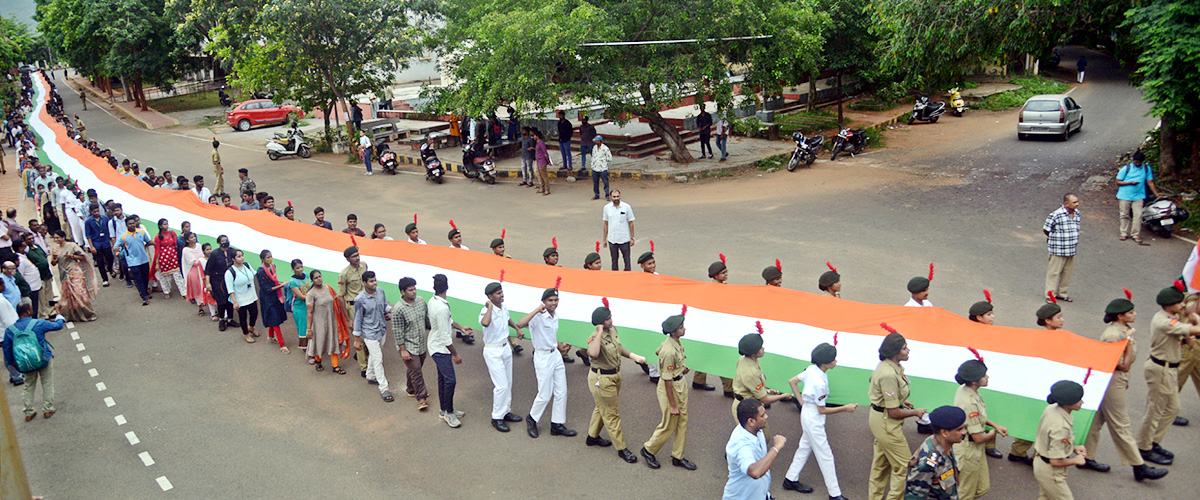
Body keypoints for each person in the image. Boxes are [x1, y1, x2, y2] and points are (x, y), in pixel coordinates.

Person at [1081, 294, 1169, 481]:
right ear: (1120, 316)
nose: (1135, 314)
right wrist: (1127, 343)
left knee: (1097, 420)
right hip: (1113, 380)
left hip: (1114, 379)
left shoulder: (1123, 329)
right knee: (1121, 424)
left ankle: (1086, 456)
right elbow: (1122, 365)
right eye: (1131, 312)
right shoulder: (1115, 335)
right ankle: (1139, 466)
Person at [1136, 284, 1200, 465]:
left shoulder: (1172, 316)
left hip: (1169, 369)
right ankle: (1144, 447)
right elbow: (1196, 329)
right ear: (1169, 305)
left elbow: (1184, 333)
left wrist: (1186, 337)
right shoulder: (1164, 321)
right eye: (1179, 303)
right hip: (1160, 370)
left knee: (1173, 408)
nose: (1183, 305)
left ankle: (1153, 442)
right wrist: (1195, 319)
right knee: (1154, 411)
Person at [782, 343, 855, 498]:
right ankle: (834, 494)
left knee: (805, 447)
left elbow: (792, 381)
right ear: (824, 363)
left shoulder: (811, 369)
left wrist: (801, 401)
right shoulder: (819, 383)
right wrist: (845, 408)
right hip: (814, 416)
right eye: (833, 359)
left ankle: (790, 478)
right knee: (825, 455)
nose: (835, 361)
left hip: (808, 412)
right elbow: (822, 410)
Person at [584, 301, 648, 464]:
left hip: (614, 375)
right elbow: (593, 353)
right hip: (601, 379)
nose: (611, 320)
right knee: (611, 414)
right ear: (600, 323)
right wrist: (598, 333)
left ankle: (592, 436)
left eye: (610, 316)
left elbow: (618, 348)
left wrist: (634, 356)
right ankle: (621, 448)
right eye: (607, 319)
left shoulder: (613, 330)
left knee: (602, 407)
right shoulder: (595, 337)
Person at [868, 327, 927, 500]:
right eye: (904, 348)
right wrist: (915, 412)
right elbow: (893, 412)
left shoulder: (891, 366)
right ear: (895, 353)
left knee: (881, 465)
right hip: (887, 423)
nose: (908, 350)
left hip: (880, 418)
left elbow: (885, 392)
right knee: (905, 467)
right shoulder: (888, 373)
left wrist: (901, 401)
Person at [516, 283, 577, 439]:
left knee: (561, 391)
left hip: (555, 355)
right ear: (544, 301)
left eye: (556, 300)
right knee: (545, 393)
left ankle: (557, 424)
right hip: (542, 357)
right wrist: (537, 309)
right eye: (550, 300)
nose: (554, 303)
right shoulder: (537, 316)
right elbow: (520, 324)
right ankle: (532, 418)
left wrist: (560, 345)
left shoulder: (555, 315)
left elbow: (550, 336)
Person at [641, 310, 697, 470]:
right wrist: (672, 405)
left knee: (682, 421)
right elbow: (666, 379)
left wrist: (680, 369)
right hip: (670, 388)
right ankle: (648, 449)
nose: (684, 329)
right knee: (669, 423)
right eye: (681, 327)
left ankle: (678, 456)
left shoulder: (675, 342)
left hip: (679, 383)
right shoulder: (669, 350)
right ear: (673, 331)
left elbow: (658, 352)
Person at [952, 359, 1008, 500]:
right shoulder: (968, 401)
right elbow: (977, 437)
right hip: (968, 450)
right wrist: (992, 434)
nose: (987, 377)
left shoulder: (968, 390)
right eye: (984, 375)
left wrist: (995, 425)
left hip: (976, 449)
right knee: (966, 492)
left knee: (982, 488)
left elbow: (979, 417)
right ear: (974, 381)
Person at [3, 301, 65, 421]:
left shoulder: (10, 330)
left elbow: (7, 350)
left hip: (25, 363)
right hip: (43, 359)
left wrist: (13, 364)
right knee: (47, 383)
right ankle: (48, 409)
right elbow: (58, 326)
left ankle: (28, 411)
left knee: (28, 385)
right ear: (28, 311)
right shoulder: (38, 323)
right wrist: (58, 313)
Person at [480, 281, 527, 431]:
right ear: (490, 296)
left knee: (508, 382)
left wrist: (517, 328)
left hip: (505, 347)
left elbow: (507, 318)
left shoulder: (504, 307)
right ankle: (497, 417)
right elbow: (486, 323)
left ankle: (506, 411)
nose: (502, 295)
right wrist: (490, 308)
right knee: (501, 386)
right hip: (493, 351)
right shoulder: (485, 311)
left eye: (502, 292)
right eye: (498, 293)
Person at [428, 274, 471, 427]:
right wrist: (455, 354)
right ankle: (448, 412)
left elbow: (448, 321)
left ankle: (444, 409)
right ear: (447, 286)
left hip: (437, 346)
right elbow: (445, 337)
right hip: (440, 349)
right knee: (450, 381)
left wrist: (461, 328)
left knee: (443, 379)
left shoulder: (434, 301)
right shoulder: (441, 308)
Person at [1034, 381, 1088, 499]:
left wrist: (1073, 447)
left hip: (1041, 461)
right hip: (1050, 471)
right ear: (1068, 403)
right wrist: (1076, 460)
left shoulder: (1051, 408)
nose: (1082, 402)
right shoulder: (1061, 427)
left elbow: (1051, 440)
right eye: (1078, 400)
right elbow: (1055, 461)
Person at [723, 398, 787, 500]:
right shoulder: (742, 446)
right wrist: (776, 448)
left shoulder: (755, 430)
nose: (766, 417)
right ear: (751, 421)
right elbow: (755, 472)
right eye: (762, 416)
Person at [730, 331, 794, 428]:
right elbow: (765, 400)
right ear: (753, 353)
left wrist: (766, 390)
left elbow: (750, 385)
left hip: (749, 402)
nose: (763, 349)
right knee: (757, 438)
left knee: (764, 437)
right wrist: (783, 396)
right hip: (748, 409)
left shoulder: (744, 359)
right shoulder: (752, 373)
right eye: (760, 348)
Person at [904, 406, 968, 500]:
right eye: (960, 429)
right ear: (945, 433)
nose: (965, 432)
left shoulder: (944, 444)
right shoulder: (926, 464)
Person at [392, 276, 431, 411]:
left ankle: (410, 388)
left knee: (414, 368)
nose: (414, 292)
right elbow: (397, 331)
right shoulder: (398, 309)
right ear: (403, 292)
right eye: (410, 290)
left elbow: (426, 319)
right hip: (408, 346)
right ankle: (421, 398)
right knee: (416, 370)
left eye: (414, 289)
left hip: (421, 344)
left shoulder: (420, 302)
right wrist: (403, 350)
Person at [354, 271, 393, 402]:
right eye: (371, 281)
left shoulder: (380, 291)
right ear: (364, 283)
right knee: (378, 359)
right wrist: (357, 340)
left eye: (375, 280)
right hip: (369, 333)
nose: (374, 283)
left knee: (375, 354)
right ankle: (384, 388)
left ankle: (370, 376)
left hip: (381, 330)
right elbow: (357, 320)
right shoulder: (359, 300)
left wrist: (391, 310)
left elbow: (384, 306)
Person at [305, 270, 349, 374]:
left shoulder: (329, 288)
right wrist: (309, 328)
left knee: (332, 341)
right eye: (316, 278)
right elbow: (310, 312)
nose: (319, 279)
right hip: (319, 323)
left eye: (320, 276)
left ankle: (335, 366)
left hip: (332, 321)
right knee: (320, 342)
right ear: (312, 280)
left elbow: (337, 302)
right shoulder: (311, 294)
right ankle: (318, 361)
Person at [49, 230, 97, 322]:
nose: (56, 240)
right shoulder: (55, 248)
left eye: (57, 237)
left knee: (79, 293)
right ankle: (74, 315)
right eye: (55, 238)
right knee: (69, 295)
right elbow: (53, 263)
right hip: (64, 273)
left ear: (63, 237)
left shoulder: (72, 245)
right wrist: (54, 257)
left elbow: (83, 257)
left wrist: (71, 256)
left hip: (74, 271)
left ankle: (88, 313)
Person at [339, 246, 370, 377]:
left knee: (370, 334)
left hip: (367, 304)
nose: (357, 258)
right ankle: (364, 367)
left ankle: (363, 355)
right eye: (354, 256)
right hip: (353, 307)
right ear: (347, 259)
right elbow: (341, 297)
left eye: (358, 255)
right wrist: (347, 319)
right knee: (358, 337)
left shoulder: (364, 266)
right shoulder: (344, 274)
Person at [1044, 194, 1081, 303]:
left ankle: (1062, 293)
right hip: (1058, 249)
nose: (1077, 204)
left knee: (1067, 273)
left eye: (1077, 202)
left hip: (1071, 249)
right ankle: (1050, 295)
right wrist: (1053, 239)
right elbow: (1046, 229)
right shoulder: (1056, 215)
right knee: (1054, 273)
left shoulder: (1077, 213)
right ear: (1066, 203)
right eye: (1074, 202)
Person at [1115, 151, 1157, 244]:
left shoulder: (1146, 169)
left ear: (1142, 161)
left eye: (1139, 162)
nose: (1137, 164)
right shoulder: (1126, 168)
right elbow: (1118, 181)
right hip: (1124, 195)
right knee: (1124, 214)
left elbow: (1150, 182)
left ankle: (1135, 234)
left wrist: (1157, 195)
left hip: (1139, 195)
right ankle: (1123, 233)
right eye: (1136, 162)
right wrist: (1129, 182)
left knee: (1138, 215)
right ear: (1133, 160)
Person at [256, 250, 289, 354]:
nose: (270, 258)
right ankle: (282, 345)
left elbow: (274, 281)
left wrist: (279, 285)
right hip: (267, 298)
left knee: (274, 316)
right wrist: (281, 285)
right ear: (262, 259)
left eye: (271, 256)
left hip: (275, 295)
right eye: (267, 257)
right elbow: (267, 289)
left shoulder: (273, 266)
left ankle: (270, 336)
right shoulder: (260, 272)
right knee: (274, 319)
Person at [115, 216, 152, 305]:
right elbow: (116, 246)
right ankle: (144, 296)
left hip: (144, 259)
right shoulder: (123, 236)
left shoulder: (141, 232)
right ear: (126, 225)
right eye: (129, 224)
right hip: (133, 261)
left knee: (145, 278)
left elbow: (149, 241)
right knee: (138, 279)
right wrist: (117, 250)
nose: (132, 225)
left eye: (133, 223)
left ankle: (145, 291)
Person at [225, 249, 259, 343]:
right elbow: (230, 289)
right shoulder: (230, 272)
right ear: (233, 259)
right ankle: (246, 334)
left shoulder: (247, 265)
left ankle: (251, 327)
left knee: (254, 313)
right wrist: (234, 302)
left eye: (242, 255)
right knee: (243, 317)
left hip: (251, 296)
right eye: (239, 256)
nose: (242, 258)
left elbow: (255, 274)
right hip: (240, 299)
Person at [182, 236, 217, 320]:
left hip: (203, 270)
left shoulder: (198, 246)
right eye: (191, 237)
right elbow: (192, 262)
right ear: (187, 240)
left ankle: (211, 309)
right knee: (197, 290)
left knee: (206, 291)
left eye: (194, 237)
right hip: (194, 271)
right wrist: (203, 262)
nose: (193, 238)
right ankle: (200, 307)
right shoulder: (185, 250)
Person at [602, 190, 635, 271]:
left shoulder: (626, 207)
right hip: (612, 239)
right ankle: (614, 277)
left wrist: (632, 237)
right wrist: (604, 239)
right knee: (614, 260)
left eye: (617, 196)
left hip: (624, 238)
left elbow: (631, 223)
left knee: (627, 260)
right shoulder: (607, 208)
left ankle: (627, 276)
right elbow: (606, 224)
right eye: (614, 197)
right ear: (610, 197)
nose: (616, 198)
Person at [152, 219, 185, 300]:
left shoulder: (172, 233)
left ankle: (184, 292)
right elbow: (157, 250)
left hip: (173, 256)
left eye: (167, 224)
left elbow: (176, 244)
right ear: (160, 226)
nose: (166, 226)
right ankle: (166, 291)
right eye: (164, 224)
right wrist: (157, 263)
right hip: (163, 258)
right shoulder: (157, 237)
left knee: (177, 275)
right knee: (165, 276)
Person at [286, 260, 310, 360]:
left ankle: (312, 346)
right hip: (299, 307)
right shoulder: (293, 282)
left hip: (308, 304)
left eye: (301, 267)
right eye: (297, 268)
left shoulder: (306, 275)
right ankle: (306, 350)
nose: (300, 269)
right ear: (293, 269)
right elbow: (301, 296)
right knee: (303, 327)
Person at [83, 204, 112, 286]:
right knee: (100, 262)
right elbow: (88, 235)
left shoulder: (105, 218)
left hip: (105, 242)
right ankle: (104, 279)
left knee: (110, 258)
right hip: (96, 244)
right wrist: (91, 246)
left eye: (97, 211)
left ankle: (110, 269)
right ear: (91, 212)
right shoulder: (88, 222)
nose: (96, 213)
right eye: (94, 212)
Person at [590, 136, 612, 201]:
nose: (595, 142)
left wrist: (603, 162)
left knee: (605, 182)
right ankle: (596, 195)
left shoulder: (605, 148)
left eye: (596, 141)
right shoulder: (594, 148)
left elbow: (609, 158)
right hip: (595, 167)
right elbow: (593, 156)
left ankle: (607, 195)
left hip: (602, 168)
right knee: (595, 183)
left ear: (599, 141)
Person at [534, 129, 552, 195]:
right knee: (541, 176)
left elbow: (545, 153)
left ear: (537, 136)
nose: (534, 137)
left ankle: (547, 189)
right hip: (539, 162)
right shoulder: (538, 143)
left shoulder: (541, 143)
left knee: (544, 176)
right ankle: (542, 188)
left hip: (542, 162)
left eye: (534, 136)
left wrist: (548, 160)